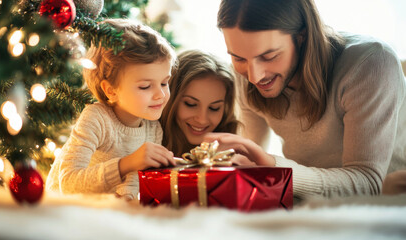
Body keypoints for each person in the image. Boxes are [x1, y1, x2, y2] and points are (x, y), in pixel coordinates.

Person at [203, 0, 406, 200]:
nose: (254, 76)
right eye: (238, 58)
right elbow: (250, 157)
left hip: (388, 207)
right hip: (309, 205)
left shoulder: (370, 64)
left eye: (269, 56)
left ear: (303, 36)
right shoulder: (246, 75)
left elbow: (368, 183)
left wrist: (273, 168)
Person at [45, 18, 177, 197]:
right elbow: (68, 183)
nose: (160, 95)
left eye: (164, 82)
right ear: (111, 90)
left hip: (109, 211)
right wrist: (126, 164)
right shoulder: (96, 118)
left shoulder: (153, 129)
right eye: (145, 86)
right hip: (66, 210)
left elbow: (131, 187)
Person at [160, 49, 240, 158]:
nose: (202, 119)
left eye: (214, 108)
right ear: (170, 98)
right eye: (190, 104)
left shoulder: (231, 151)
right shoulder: (144, 138)